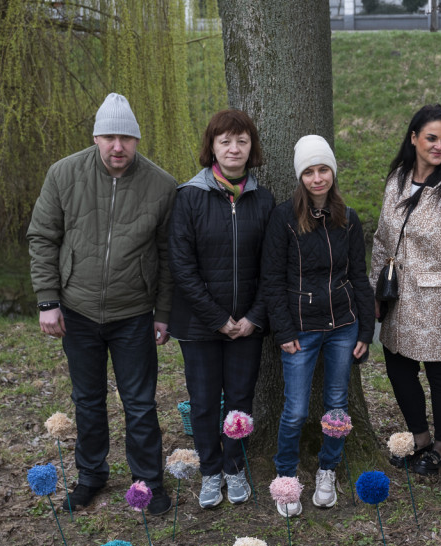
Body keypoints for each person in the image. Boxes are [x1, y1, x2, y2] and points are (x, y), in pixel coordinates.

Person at [27, 92, 176, 514]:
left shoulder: (162, 186)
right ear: (96, 137)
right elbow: (42, 238)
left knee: (141, 404)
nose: (117, 146)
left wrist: (163, 314)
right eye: (109, 136)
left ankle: (148, 481)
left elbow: (168, 258)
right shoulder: (63, 174)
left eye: (126, 138)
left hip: (134, 315)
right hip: (77, 310)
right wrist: (48, 301)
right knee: (87, 400)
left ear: (136, 141)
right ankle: (91, 476)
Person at [261, 135, 374, 517]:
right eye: (309, 172)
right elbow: (272, 280)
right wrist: (284, 331)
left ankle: (327, 470)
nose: (317, 178)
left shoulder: (349, 218)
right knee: (294, 411)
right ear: (300, 177)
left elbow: (359, 276)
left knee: (337, 407)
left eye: (323, 169)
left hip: (343, 326)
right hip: (301, 330)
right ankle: (286, 480)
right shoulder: (284, 219)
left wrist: (365, 331)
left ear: (333, 172)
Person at [168, 110, 274, 509]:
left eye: (242, 141)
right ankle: (210, 471)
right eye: (225, 141)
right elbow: (182, 265)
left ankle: (234, 467)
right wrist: (217, 319)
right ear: (211, 146)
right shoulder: (189, 196)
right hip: (199, 325)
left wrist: (253, 317)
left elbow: (272, 266)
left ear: (252, 148)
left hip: (248, 325)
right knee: (204, 401)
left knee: (240, 400)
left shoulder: (263, 200)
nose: (234, 148)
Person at [371, 104, 441, 475]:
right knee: (398, 368)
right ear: (414, 138)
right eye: (431, 138)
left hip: (438, 301)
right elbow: (381, 240)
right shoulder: (397, 180)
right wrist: (375, 290)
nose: (438, 146)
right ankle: (419, 438)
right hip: (398, 299)